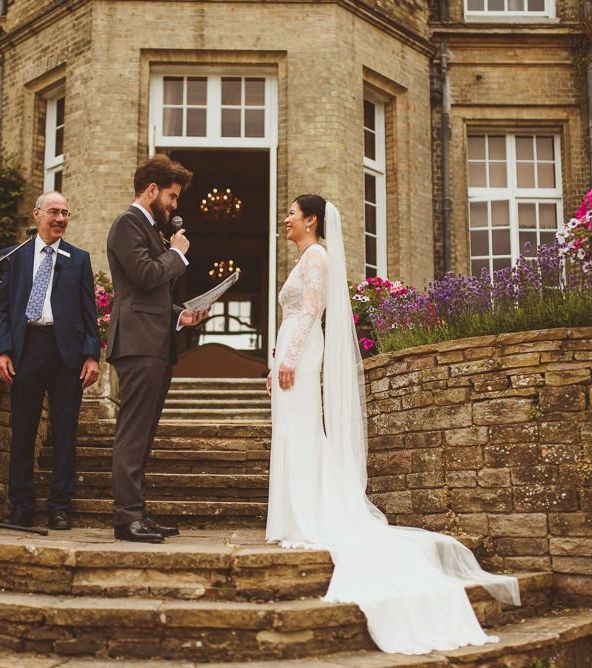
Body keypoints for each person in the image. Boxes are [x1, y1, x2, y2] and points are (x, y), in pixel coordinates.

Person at [265, 194, 520, 654]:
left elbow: (312, 310)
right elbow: (291, 313)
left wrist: (289, 357)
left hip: (301, 350)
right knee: (293, 430)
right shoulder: (304, 256)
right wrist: (275, 361)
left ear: (311, 220)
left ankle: (310, 514)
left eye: (291, 214)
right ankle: (295, 512)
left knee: (304, 431)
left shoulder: (318, 256)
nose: (285, 220)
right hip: (290, 349)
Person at [106, 155, 207, 544]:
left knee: (144, 434)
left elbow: (152, 295)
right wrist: (177, 253)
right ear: (151, 190)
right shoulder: (126, 224)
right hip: (137, 344)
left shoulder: (148, 228)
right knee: (132, 433)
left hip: (155, 341)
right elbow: (146, 276)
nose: (174, 205)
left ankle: (138, 515)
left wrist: (182, 317)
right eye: (172, 196)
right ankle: (126, 518)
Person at [0, 192, 100, 530]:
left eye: (66, 213)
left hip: (67, 352)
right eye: (54, 212)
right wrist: (3, 349)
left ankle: (60, 506)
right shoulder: (14, 256)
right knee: (23, 430)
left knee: (65, 431)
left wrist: (91, 355)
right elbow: (2, 309)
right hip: (27, 347)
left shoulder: (78, 258)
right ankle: (21, 506)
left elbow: (90, 313)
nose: (60, 219)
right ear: (37, 214)